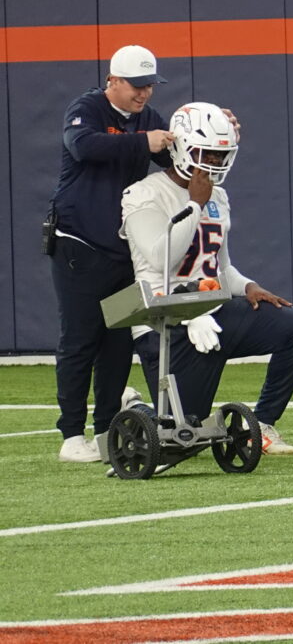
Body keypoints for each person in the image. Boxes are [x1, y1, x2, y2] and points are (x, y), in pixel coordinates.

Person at [121, 102, 293, 456]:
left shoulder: (219, 196)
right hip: (165, 321)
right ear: (180, 147)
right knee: (181, 440)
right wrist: (195, 205)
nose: (213, 163)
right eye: (205, 154)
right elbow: (161, 258)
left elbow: (219, 265)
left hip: (211, 310)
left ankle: (263, 422)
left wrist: (248, 286)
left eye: (219, 155)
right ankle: (136, 409)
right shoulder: (144, 193)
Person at [48, 44, 173, 462]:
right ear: (113, 82)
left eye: (150, 86)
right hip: (78, 245)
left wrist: (210, 133)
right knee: (81, 339)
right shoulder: (85, 108)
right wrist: (144, 141)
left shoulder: (148, 120)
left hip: (122, 250)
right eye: (136, 86)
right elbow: (85, 147)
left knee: (119, 343)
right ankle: (70, 435)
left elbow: (171, 156)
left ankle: (105, 432)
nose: (144, 95)